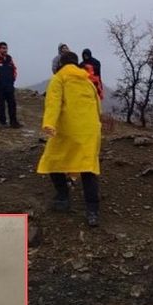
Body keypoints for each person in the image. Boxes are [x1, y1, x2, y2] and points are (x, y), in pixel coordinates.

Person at [37, 51, 102, 227]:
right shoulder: (87, 80)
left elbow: (53, 103)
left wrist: (49, 124)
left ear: (61, 64)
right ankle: (92, 212)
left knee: (53, 161)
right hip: (89, 132)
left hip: (68, 130)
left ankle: (63, 197)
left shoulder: (59, 79)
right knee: (87, 168)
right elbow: (98, 106)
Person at [0, 42, 21, 128]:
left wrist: (13, 79)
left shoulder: (9, 59)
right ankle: (3, 122)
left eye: (6, 48)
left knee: (12, 104)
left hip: (9, 85)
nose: (5, 50)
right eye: (3, 48)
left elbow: (14, 69)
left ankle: (13, 121)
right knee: (1, 105)